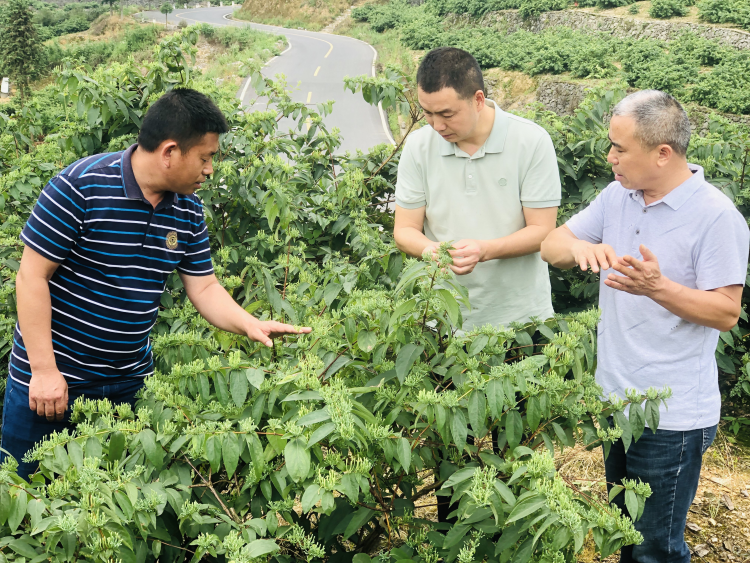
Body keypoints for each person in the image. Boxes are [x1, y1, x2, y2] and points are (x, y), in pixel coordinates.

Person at [1, 88, 310, 478]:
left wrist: (249, 323)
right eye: (205, 157)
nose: (210, 169)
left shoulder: (187, 209)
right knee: (24, 494)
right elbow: (31, 277)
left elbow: (204, 286)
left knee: (113, 506)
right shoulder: (80, 187)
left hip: (130, 384)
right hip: (55, 386)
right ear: (169, 152)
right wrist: (45, 371)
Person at [540, 90, 749, 562]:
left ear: (662, 153)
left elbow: (725, 312)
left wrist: (659, 288)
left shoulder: (716, 217)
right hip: (617, 396)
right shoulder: (619, 196)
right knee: (623, 530)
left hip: (671, 416)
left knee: (654, 547)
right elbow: (551, 244)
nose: (609, 157)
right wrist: (577, 250)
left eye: (619, 148)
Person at [393, 46, 561, 331]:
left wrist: (485, 250)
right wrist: (433, 251)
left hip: (521, 319)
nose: (436, 125)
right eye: (428, 113)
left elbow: (543, 231)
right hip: (440, 319)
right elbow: (404, 230)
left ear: (478, 100)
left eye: (447, 114)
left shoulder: (531, 141)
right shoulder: (419, 146)